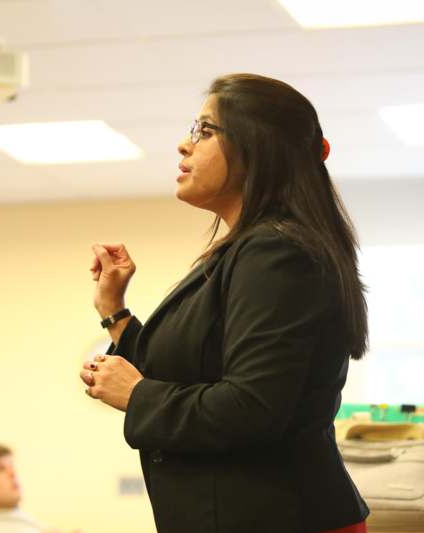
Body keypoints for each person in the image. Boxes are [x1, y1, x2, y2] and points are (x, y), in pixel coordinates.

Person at [81, 73, 371, 533]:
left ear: (258, 148)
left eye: (204, 131)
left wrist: (136, 395)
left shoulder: (277, 253)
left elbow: (252, 408)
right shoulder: (249, 250)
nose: (184, 145)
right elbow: (194, 372)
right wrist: (114, 312)